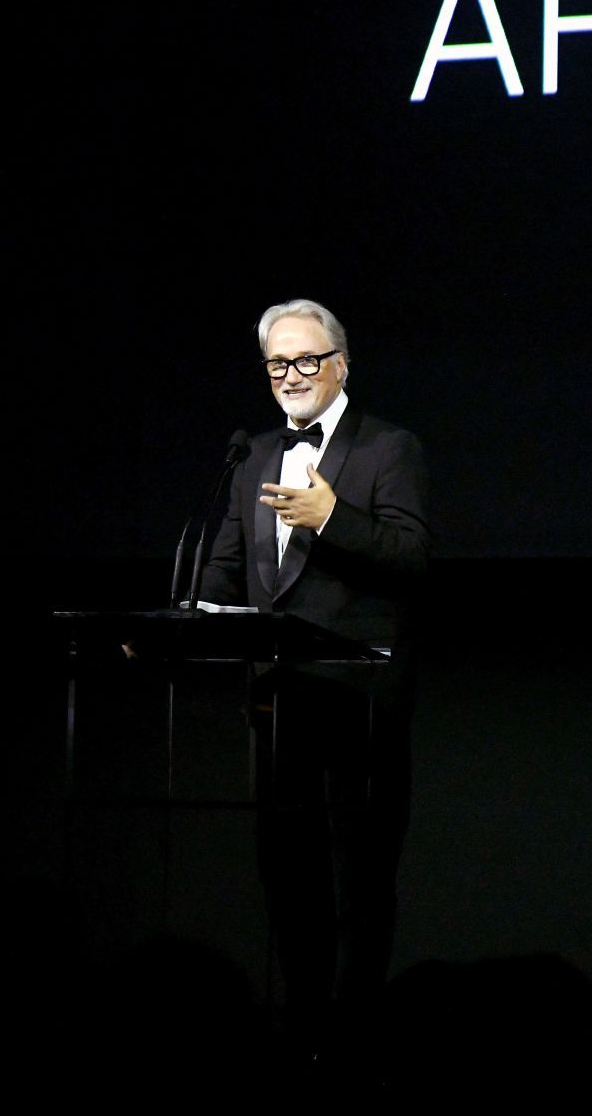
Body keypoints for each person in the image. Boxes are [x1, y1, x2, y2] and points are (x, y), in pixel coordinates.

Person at [197, 298, 430, 1067]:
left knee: (360, 875)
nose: (290, 376)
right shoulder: (254, 455)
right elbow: (228, 567)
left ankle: (356, 1031)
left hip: (360, 698)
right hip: (280, 698)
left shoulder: (387, 447)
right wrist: (196, 610)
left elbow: (408, 556)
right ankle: (301, 1027)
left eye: (305, 360)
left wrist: (332, 518)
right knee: (287, 867)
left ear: (342, 363)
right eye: (276, 364)